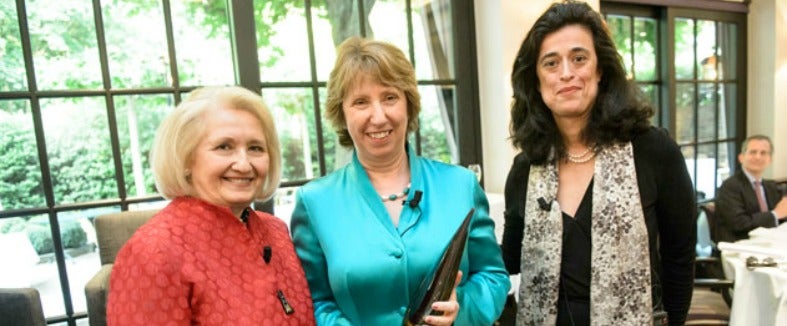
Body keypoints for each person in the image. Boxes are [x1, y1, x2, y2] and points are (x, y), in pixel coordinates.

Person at [290, 36, 510, 325]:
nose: (378, 117)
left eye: (390, 97)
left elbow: (493, 276)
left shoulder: (461, 185)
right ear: (342, 113)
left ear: (408, 104)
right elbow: (315, 300)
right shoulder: (314, 202)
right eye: (360, 102)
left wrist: (463, 310)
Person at [501, 1, 696, 325]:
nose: (566, 73)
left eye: (579, 58)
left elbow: (680, 257)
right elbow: (509, 258)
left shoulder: (652, 151)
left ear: (601, 69)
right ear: (536, 80)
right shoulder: (526, 167)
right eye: (551, 63)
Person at [107, 86, 315, 325]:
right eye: (224, 147)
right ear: (186, 159)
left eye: (255, 148)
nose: (244, 164)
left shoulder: (276, 231)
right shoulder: (153, 252)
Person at [715, 135, 787, 243]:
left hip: (770, 244)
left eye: (763, 153)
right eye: (753, 152)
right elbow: (740, 224)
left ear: (770, 159)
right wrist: (775, 214)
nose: (758, 157)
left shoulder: (771, 187)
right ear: (741, 157)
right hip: (740, 247)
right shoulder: (730, 187)